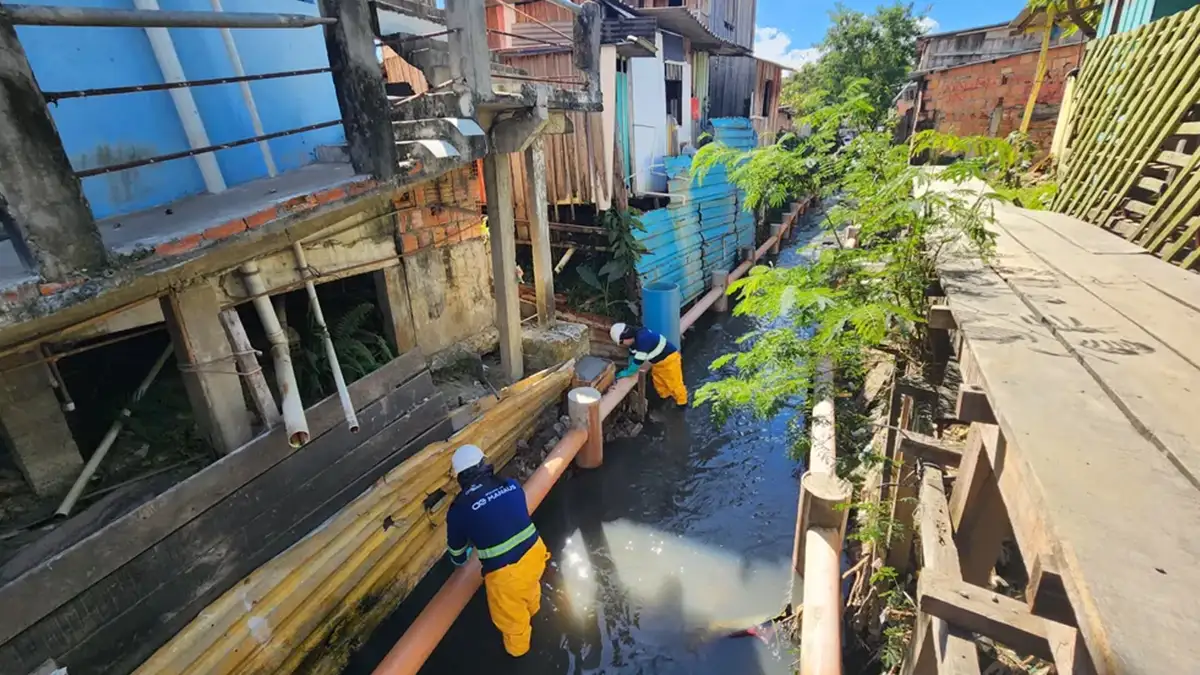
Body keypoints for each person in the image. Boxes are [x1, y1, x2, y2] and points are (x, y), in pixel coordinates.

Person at [446, 444, 549, 657]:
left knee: (512, 623)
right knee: (529, 588)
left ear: (460, 477)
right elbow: (510, 517)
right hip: (536, 552)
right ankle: (536, 613)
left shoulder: (459, 509)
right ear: (483, 464)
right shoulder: (510, 485)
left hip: (507, 576)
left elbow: (457, 553)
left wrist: (462, 562)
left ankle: (521, 656)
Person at [609, 322, 688, 406]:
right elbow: (632, 355)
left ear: (626, 337)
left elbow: (637, 362)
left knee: (674, 384)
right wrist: (629, 366)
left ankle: (682, 403)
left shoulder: (643, 339)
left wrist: (628, 372)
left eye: (621, 342)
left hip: (670, 360)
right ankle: (666, 398)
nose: (622, 345)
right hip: (657, 363)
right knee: (659, 383)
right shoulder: (635, 337)